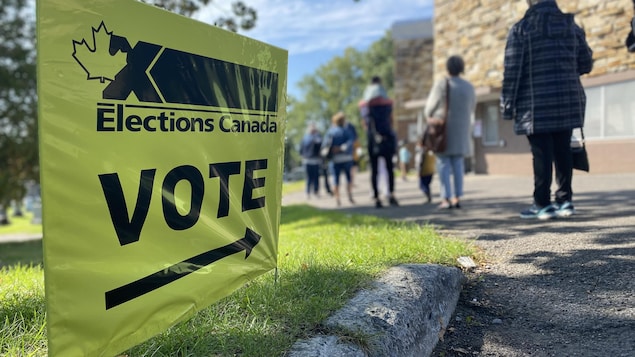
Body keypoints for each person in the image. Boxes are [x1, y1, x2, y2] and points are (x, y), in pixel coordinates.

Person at [501, 0, 593, 219]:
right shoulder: (572, 26)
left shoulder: (521, 29)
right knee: (563, 150)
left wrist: (507, 106)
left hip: (535, 105)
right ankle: (565, 201)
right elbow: (586, 63)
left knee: (541, 153)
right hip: (568, 101)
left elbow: (512, 72)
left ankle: (542, 204)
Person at [424, 55, 476, 209]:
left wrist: (430, 117)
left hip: (444, 132)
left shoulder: (442, 84)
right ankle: (457, 197)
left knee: (443, 164)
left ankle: (445, 198)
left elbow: (429, 108)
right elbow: (472, 108)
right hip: (462, 131)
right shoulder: (469, 87)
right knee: (458, 164)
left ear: (448, 68)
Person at [359, 76, 399, 208]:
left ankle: (376, 197)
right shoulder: (387, 103)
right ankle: (391, 194)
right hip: (386, 136)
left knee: (374, 170)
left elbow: (365, 124)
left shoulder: (365, 105)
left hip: (373, 139)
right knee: (389, 168)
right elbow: (391, 120)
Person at [322, 112, 356, 206]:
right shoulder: (346, 131)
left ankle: (337, 198)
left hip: (334, 159)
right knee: (349, 178)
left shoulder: (330, 132)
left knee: (335, 179)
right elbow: (351, 142)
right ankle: (350, 195)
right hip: (347, 158)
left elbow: (324, 145)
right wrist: (342, 148)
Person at [299, 123, 323, 199]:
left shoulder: (317, 137)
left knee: (316, 177)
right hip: (307, 160)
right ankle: (308, 192)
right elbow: (301, 149)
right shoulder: (305, 138)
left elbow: (320, 145)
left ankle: (316, 192)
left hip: (315, 160)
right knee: (309, 178)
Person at [414, 136, 435, 203]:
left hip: (424, 172)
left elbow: (420, 162)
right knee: (427, 184)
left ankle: (428, 196)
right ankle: (428, 196)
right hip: (430, 171)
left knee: (423, 185)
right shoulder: (430, 151)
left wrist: (418, 172)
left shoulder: (422, 153)